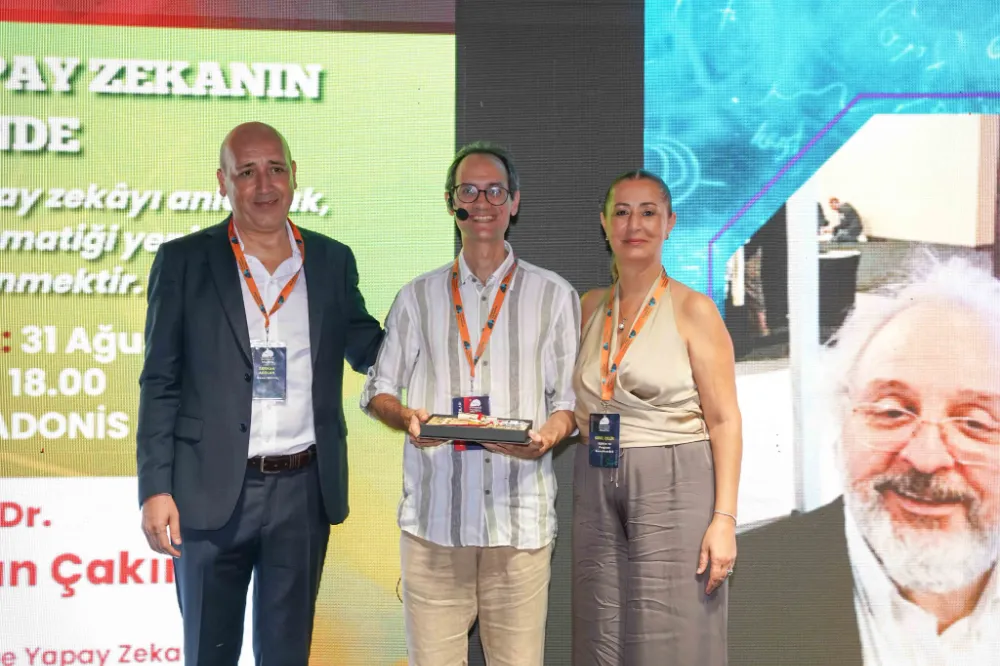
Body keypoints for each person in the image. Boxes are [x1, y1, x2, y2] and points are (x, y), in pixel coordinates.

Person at [136, 122, 384, 665]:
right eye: (246, 172)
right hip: (208, 492)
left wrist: (437, 339)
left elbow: (370, 347)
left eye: (275, 169)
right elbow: (160, 382)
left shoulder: (331, 260)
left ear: (294, 174)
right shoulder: (182, 261)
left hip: (302, 492)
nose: (264, 184)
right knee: (209, 652)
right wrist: (155, 489)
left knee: (287, 654)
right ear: (222, 182)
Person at [360, 141, 580, 665]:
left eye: (495, 191)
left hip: (519, 527)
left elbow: (570, 401)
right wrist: (406, 417)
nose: (482, 203)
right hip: (435, 527)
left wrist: (548, 436)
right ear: (450, 202)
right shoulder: (417, 297)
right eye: (469, 191)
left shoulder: (554, 295)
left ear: (514, 202)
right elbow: (378, 390)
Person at [729, 258, 1000, 666]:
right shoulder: (718, 603)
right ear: (842, 423)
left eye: (975, 423)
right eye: (892, 411)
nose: (926, 458)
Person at [572, 169, 743, 665]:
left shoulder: (694, 310)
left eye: (648, 212)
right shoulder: (587, 307)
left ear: (669, 223)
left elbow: (725, 421)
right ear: (604, 223)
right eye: (622, 213)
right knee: (598, 635)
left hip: (674, 477)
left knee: (674, 635)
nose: (635, 225)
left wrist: (724, 519)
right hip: (595, 476)